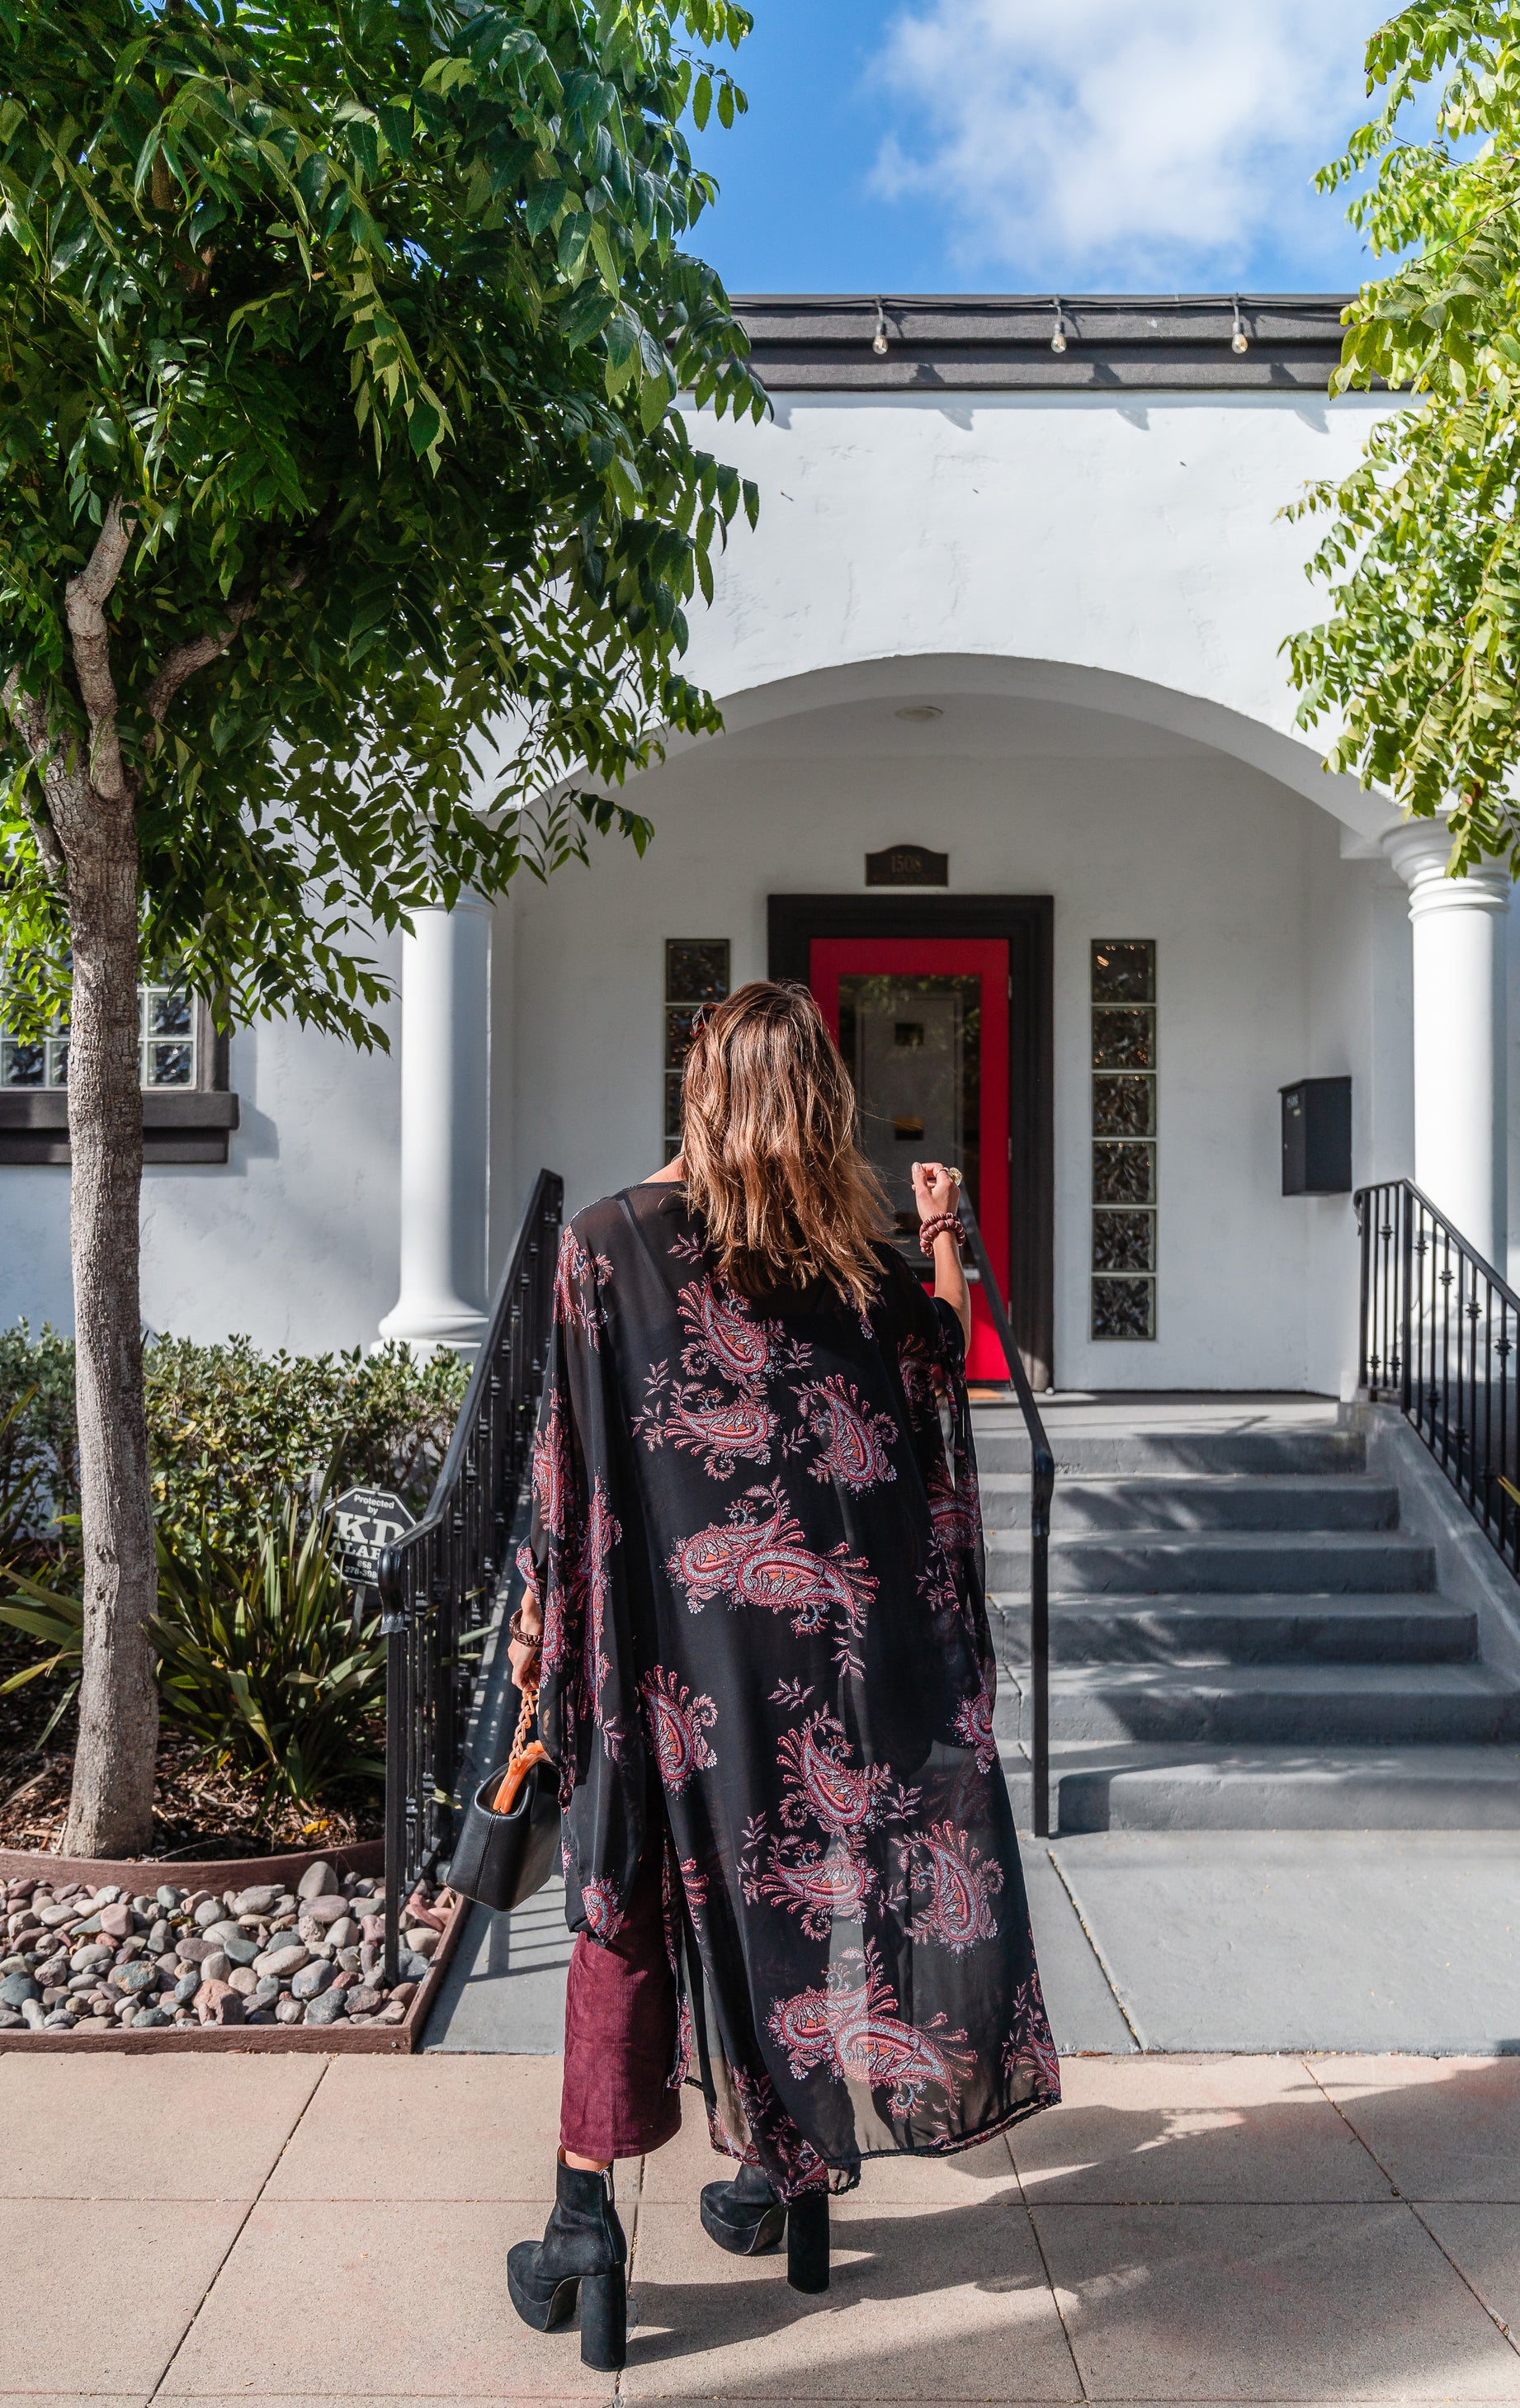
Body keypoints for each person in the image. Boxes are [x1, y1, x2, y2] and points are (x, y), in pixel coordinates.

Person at [503, 979, 1060, 2372]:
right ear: (821, 1099)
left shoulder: (606, 1244)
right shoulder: (858, 1261)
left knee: (626, 1890)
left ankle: (586, 2224)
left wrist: (536, 1632)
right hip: (844, 1654)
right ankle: (788, 2180)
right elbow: (944, 1378)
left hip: (675, 1660)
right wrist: (938, 1228)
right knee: (816, 1883)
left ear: (699, 1093)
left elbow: (565, 1475)